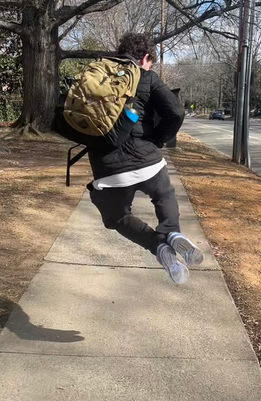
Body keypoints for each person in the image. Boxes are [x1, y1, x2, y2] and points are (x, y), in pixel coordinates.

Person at [87, 32, 203, 284]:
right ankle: (171, 232)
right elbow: (176, 112)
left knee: (117, 217)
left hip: (107, 167)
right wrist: (158, 140)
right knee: (163, 194)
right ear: (144, 58)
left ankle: (157, 245)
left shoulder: (95, 75)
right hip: (147, 160)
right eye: (150, 62)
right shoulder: (146, 77)